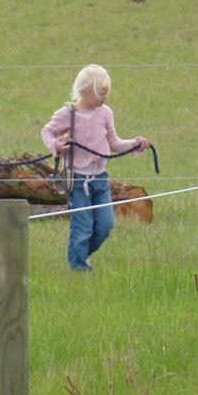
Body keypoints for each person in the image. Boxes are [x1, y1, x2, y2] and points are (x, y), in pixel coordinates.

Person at [41, 65, 151, 272]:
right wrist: (56, 145)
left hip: (100, 179)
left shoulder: (106, 113)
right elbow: (47, 132)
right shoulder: (68, 113)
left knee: (105, 224)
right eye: (100, 94)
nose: (105, 98)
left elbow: (114, 142)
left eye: (107, 94)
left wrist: (134, 143)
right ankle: (79, 268)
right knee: (82, 225)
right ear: (85, 91)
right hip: (77, 180)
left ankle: (80, 254)